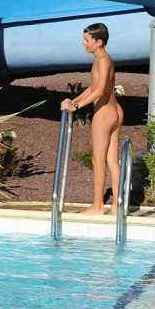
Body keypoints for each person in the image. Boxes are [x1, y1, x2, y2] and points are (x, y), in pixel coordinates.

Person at [61, 22, 125, 215]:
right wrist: (73, 100)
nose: (83, 43)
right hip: (115, 111)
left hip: (105, 113)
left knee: (98, 160)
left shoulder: (103, 60)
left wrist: (77, 106)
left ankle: (98, 206)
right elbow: (92, 87)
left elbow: (100, 90)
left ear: (98, 42)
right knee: (112, 160)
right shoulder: (100, 59)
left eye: (87, 40)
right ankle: (116, 207)